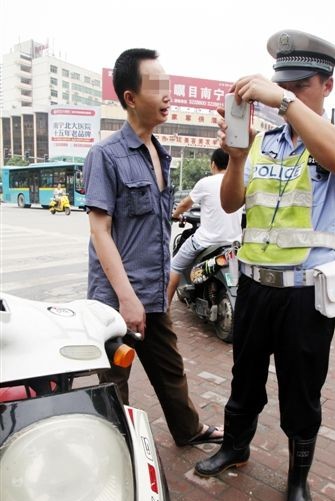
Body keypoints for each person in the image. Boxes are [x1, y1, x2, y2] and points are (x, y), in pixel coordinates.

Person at [194, 30, 335, 501]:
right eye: (281, 82)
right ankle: (234, 448)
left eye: (299, 83)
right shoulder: (265, 139)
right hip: (253, 287)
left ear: (326, 86)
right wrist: (238, 153)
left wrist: (285, 103)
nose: (285, 90)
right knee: (244, 378)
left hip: (305, 296)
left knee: (301, 389)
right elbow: (231, 203)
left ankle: (298, 479)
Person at [83, 48, 223, 447]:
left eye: (169, 87)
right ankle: (116, 450)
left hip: (154, 293)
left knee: (170, 368)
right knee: (114, 379)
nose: (168, 95)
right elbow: (100, 231)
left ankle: (188, 430)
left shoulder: (160, 153)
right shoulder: (105, 155)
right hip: (117, 299)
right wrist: (127, 300)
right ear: (130, 98)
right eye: (157, 87)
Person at [167, 148, 243, 306]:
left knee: (175, 266)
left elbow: (184, 204)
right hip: (234, 243)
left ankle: (164, 308)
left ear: (213, 165)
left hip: (205, 242)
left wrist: (175, 215)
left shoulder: (206, 183)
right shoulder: (241, 182)